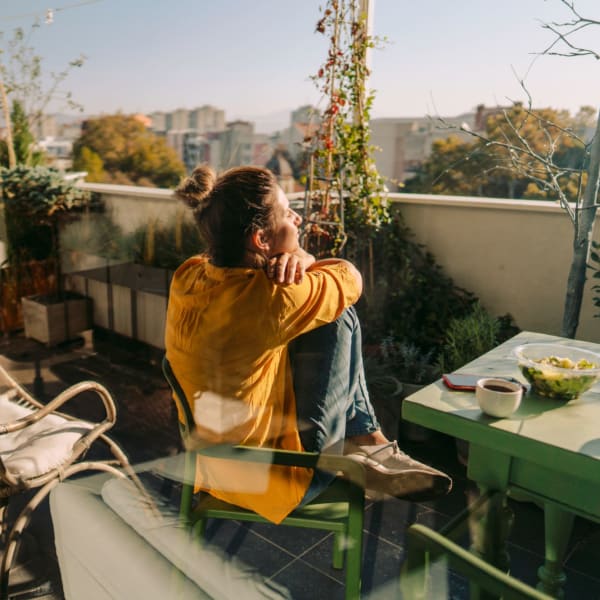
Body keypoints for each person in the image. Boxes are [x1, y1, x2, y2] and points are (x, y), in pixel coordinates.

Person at [165, 165, 451, 524]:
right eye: (287, 213)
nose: (297, 219)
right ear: (260, 240)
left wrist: (297, 258)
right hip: (274, 478)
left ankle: (368, 443)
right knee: (339, 316)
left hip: (209, 466)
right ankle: (366, 444)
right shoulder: (274, 298)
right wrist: (303, 259)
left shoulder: (188, 275)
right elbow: (351, 279)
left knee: (314, 318)